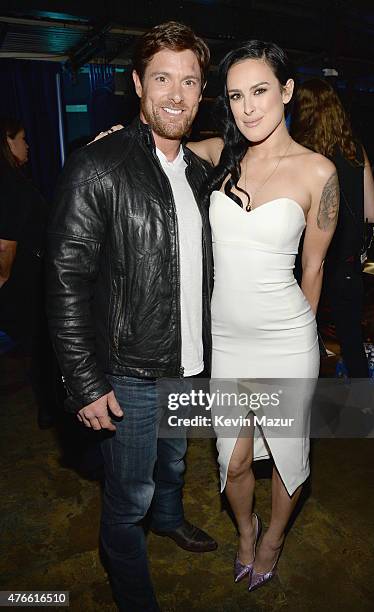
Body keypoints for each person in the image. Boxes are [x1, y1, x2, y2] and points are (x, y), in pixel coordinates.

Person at [97, 40, 339, 592]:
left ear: (287, 92)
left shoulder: (319, 171)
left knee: (286, 458)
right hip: (226, 343)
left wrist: (301, 351)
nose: (248, 108)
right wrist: (118, 141)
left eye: (260, 92)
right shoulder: (219, 155)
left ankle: (271, 539)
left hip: (286, 339)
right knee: (232, 463)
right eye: (235, 96)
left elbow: (316, 268)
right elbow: (156, 142)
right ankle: (245, 532)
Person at [47, 22, 217, 612]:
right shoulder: (99, 167)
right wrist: (85, 383)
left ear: (202, 92)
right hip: (129, 374)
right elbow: (66, 280)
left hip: (190, 366)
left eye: (189, 80)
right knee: (127, 501)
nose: (176, 94)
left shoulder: (200, 174)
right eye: (163, 78)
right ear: (138, 84)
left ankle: (170, 520)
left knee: (174, 462)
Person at [290, 78, 374, 377]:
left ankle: (304, 411)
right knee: (352, 340)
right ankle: (363, 412)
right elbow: (373, 213)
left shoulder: (300, 155)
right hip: (346, 262)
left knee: (302, 338)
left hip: (305, 264)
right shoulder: (356, 150)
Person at [0, 117, 56, 428]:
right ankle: (49, 410)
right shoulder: (11, 184)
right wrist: (3, 280)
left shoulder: (13, 180)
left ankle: (49, 408)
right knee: (39, 348)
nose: (27, 146)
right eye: (21, 138)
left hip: (28, 279)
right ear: (6, 142)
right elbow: (5, 246)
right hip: (23, 283)